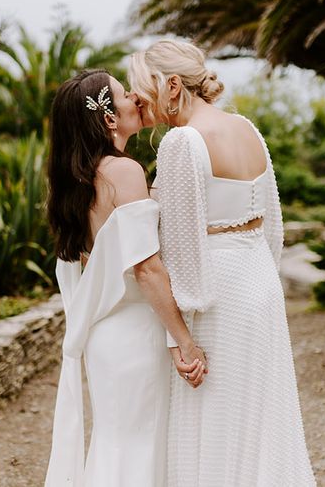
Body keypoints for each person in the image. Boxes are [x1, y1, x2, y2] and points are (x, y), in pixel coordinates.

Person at [129, 40, 316, 487]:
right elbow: (270, 220)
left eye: (143, 90)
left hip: (218, 295)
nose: (139, 102)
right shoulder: (246, 127)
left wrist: (179, 336)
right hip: (259, 282)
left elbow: (177, 242)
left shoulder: (181, 141)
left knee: (214, 416)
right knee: (262, 414)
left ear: (172, 85)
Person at [44, 69, 207, 487]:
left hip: (105, 337)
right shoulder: (124, 171)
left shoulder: (79, 181)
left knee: (116, 445)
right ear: (109, 119)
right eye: (122, 94)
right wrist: (183, 339)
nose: (136, 97)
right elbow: (146, 268)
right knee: (139, 450)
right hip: (136, 334)